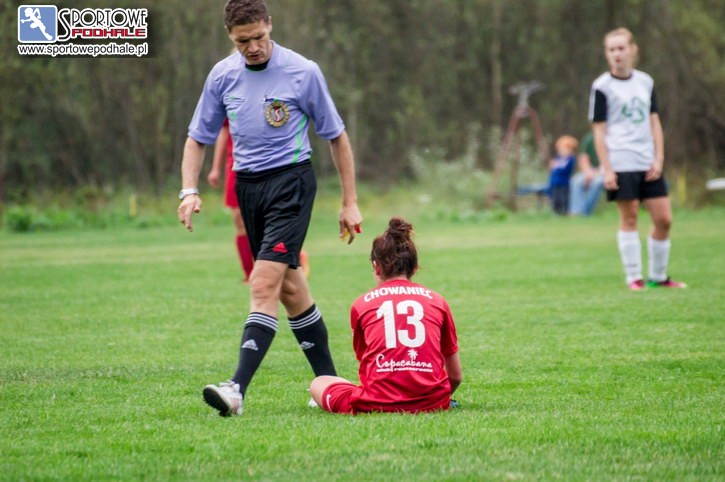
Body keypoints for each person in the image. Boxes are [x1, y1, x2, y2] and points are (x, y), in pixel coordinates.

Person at [177, 0, 363, 416]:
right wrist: (189, 190)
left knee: (262, 285)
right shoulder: (222, 75)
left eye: (259, 37)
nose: (253, 47)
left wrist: (349, 202)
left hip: (290, 184)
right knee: (292, 290)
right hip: (247, 187)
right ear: (230, 37)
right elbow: (197, 138)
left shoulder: (303, 71)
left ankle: (235, 389)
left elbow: (336, 136)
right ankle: (333, 387)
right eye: (243, 41)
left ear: (270, 26)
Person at [309, 217, 462, 414]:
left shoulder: (362, 303)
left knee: (319, 382)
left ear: (376, 266)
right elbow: (455, 376)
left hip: (374, 403)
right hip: (433, 402)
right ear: (415, 268)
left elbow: (367, 364)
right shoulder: (437, 301)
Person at [589, 27, 686, 290]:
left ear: (633, 49)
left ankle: (659, 277)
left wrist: (659, 158)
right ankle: (634, 277)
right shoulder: (602, 86)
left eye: (621, 48)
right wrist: (607, 169)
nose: (617, 54)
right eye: (611, 49)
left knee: (664, 219)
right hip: (621, 160)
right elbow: (599, 131)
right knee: (629, 217)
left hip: (647, 160)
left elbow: (654, 122)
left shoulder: (645, 82)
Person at [208, 119, 309, 281]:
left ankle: (293, 257)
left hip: (267, 164)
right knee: (239, 221)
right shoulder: (230, 102)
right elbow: (224, 131)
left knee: (268, 220)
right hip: (236, 166)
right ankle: (249, 275)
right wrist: (215, 168)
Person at [569, 131, 605, 216]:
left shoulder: (613, 138)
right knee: (576, 181)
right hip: (590, 171)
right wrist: (588, 173)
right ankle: (576, 212)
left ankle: (584, 213)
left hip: (606, 172)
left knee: (597, 182)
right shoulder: (589, 138)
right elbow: (583, 158)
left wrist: (597, 173)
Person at [548, 135, 577, 215]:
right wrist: (552, 166)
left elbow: (565, 170)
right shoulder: (557, 158)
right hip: (555, 183)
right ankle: (556, 213)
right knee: (555, 199)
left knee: (563, 198)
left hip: (564, 183)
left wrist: (556, 166)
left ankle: (564, 212)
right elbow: (553, 171)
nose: (562, 151)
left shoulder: (570, 159)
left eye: (564, 148)